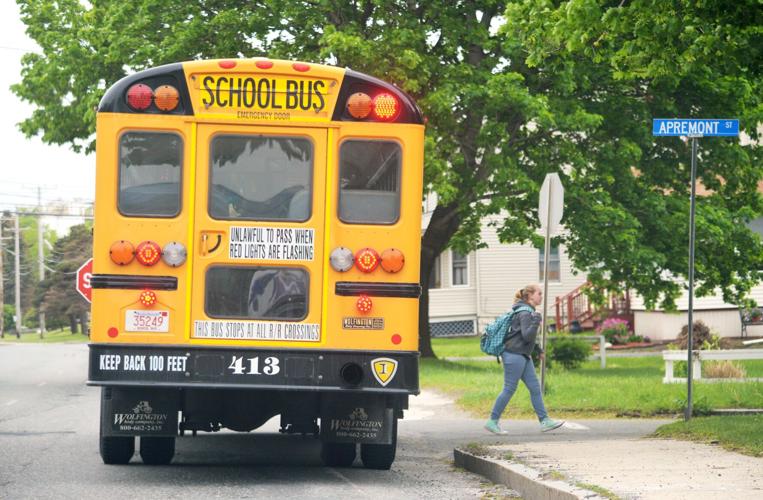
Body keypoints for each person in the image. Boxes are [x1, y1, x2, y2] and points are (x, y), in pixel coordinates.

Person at [484, 284, 564, 435]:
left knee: (535, 388)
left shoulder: (526, 311)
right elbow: (527, 335)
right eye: (539, 293)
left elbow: (524, 337)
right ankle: (492, 421)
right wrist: (536, 320)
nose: (541, 296)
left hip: (522, 355)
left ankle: (545, 421)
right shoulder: (526, 313)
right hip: (514, 355)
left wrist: (538, 350)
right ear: (530, 296)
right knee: (509, 389)